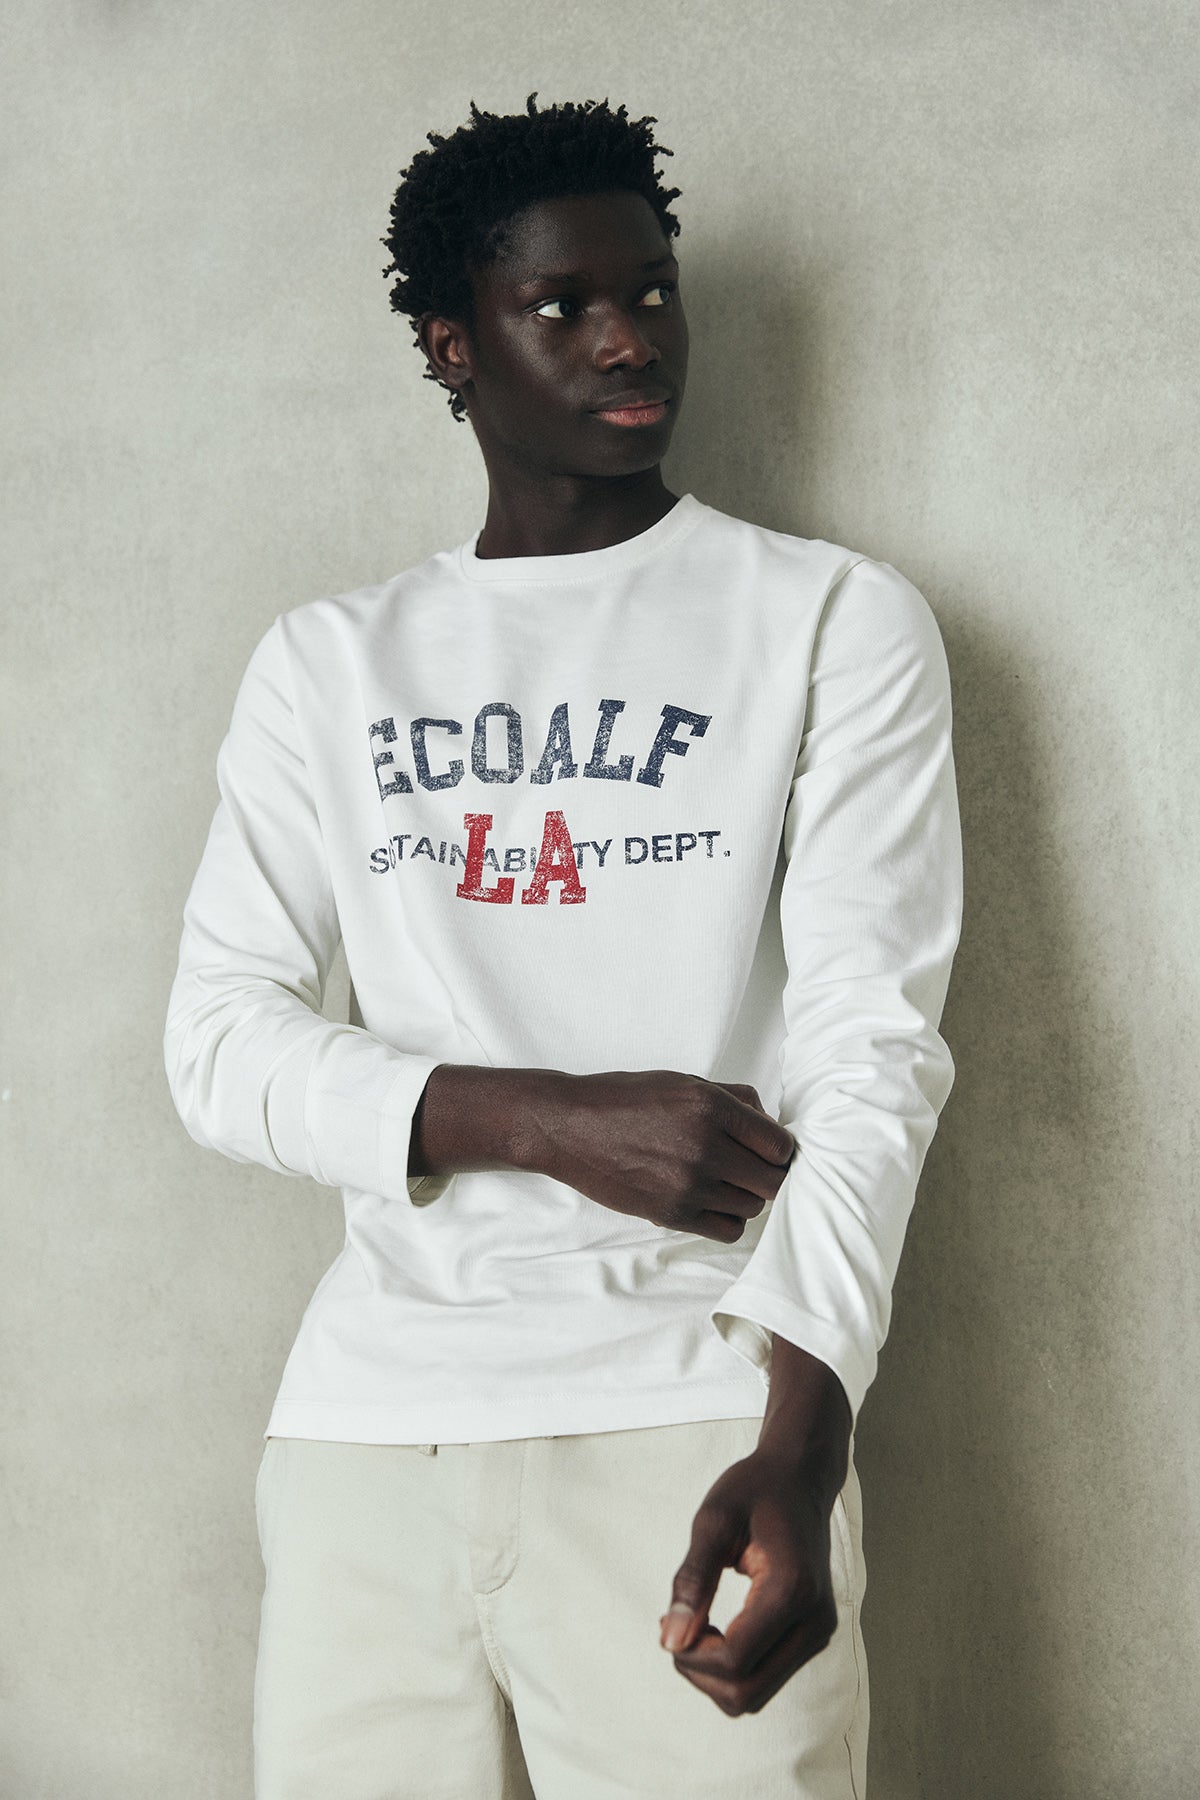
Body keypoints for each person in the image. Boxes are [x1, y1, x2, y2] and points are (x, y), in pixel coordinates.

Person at [164, 94, 962, 1800]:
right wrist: (544, 1118)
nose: (630, 338)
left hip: (694, 1410)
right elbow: (218, 1044)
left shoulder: (828, 618)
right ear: (450, 345)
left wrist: (804, 1440)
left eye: (653, 291)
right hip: (371, 1435)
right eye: (563, 304)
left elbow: (872, 1051)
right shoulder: (329, 665)